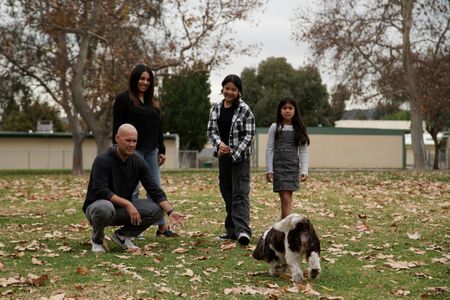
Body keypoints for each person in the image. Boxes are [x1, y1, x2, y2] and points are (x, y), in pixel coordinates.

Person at [82, 124, 183, 253]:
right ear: (117, 138)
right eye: (128, 140)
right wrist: (127, 203)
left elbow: (154, 190)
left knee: (158, 209)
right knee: (104, 208)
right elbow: (101, 190)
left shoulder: (137, 161)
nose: (132, 144)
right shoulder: (102, 160)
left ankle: (123, 236)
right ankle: (97, 240)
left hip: (121, 210)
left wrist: (170, 212)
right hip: (97, 208)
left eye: (134, 141)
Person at [112, 64, 172, 237]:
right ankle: (134, 227)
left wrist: (161, 149)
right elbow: (117, 128)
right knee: (132, 189)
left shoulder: (152, 102)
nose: (145, 82)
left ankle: (162, 227)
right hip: (132, 151)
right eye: (142, 78)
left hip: (151, 151)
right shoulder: (123, 99)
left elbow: (158, 128)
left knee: (155, 188)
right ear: (135, 79)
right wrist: (118, 150)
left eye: (148, 79)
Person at [207, 74, 255, 246]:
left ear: (239, 91)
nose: (229, 92)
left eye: (233, 89)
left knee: (240, 193)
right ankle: (231, 230)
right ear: (222, 89)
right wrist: (219, 144)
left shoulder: (245, 110)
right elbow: (211, 130)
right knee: (227, 193)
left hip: (240, 158)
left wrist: (234, 151)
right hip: (223, 157)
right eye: (227, 88)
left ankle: (243, 231)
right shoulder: (216, 108)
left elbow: (249, 134)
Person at [265, 96, 310, 219]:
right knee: (286, 200)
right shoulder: (275, 127)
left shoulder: (299, 128)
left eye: (290, 108)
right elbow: (269, 149)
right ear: (280, 110)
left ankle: (281, 232)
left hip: (292, 168)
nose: (287, 111)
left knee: (287, 200)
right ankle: (287, 230)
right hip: (279, 169)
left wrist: (304, 170)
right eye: (284, 108)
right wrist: (269, 170)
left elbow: (303, 150)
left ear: (295, 110)